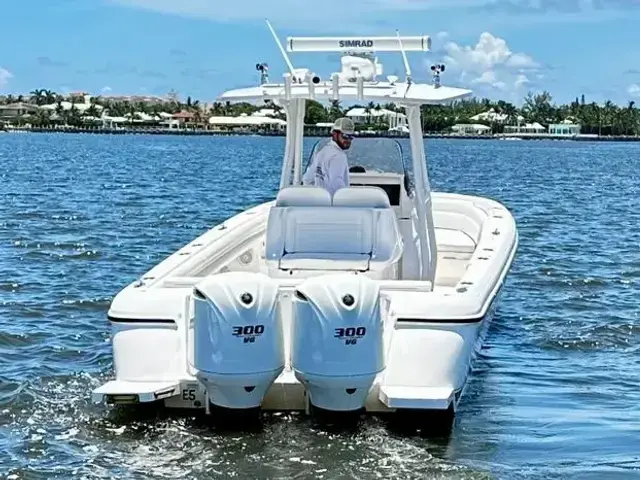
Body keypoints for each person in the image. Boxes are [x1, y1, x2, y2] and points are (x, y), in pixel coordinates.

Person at [302, 117, 355, 196]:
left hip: (320, 203)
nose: (348, 140)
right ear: (334, 134)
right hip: (336, 206)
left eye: (351, 136)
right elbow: (336, 183)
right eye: (345, 136)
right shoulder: (339, 156)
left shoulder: (322, 152)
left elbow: (307, 179)